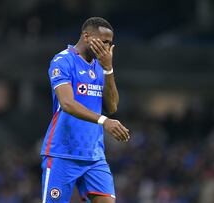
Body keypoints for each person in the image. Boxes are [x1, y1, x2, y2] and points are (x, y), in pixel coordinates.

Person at [40, 17, 130, 203]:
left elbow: (112, 107)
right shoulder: (63, 61)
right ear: (87, 36)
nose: (106, 47)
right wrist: (104, 121)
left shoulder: (100, 66)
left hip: (94, 155)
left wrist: (109, 69)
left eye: (110, 43)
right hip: (62, 153)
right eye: (103, 41)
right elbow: (67, 103)